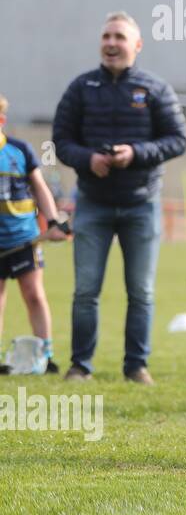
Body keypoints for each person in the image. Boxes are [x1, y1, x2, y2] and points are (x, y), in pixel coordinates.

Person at [53, 12, 186, 383]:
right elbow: (61, 141)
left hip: (141, 204)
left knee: (141, 291)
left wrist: (136, 153)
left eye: (120, 37)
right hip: (92, 203)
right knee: (85, 291)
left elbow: (178, 139)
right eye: (106, 36)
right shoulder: (81, 88)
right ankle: (80, 365)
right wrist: (88, 159)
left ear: (137, 45)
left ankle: (136, 366)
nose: (112, 43)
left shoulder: (155, 88)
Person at [0, 93, 72, 373]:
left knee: (33, 294)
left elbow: (40, 187)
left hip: (23, 238)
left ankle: (46, 354)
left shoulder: (19, 150)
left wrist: (53, 222)